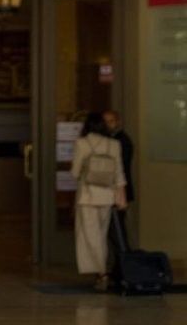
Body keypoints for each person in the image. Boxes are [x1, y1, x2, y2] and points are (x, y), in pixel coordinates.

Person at [71, 111, 128, 291]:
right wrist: (121, 197)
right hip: (107, 196)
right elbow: (119, 174)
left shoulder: (82, 144)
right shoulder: (114, 144)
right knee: (101, 236)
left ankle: (101, 273)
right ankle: (101, 272)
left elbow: (74, 172)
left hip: (87, 196)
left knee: (89, 236)